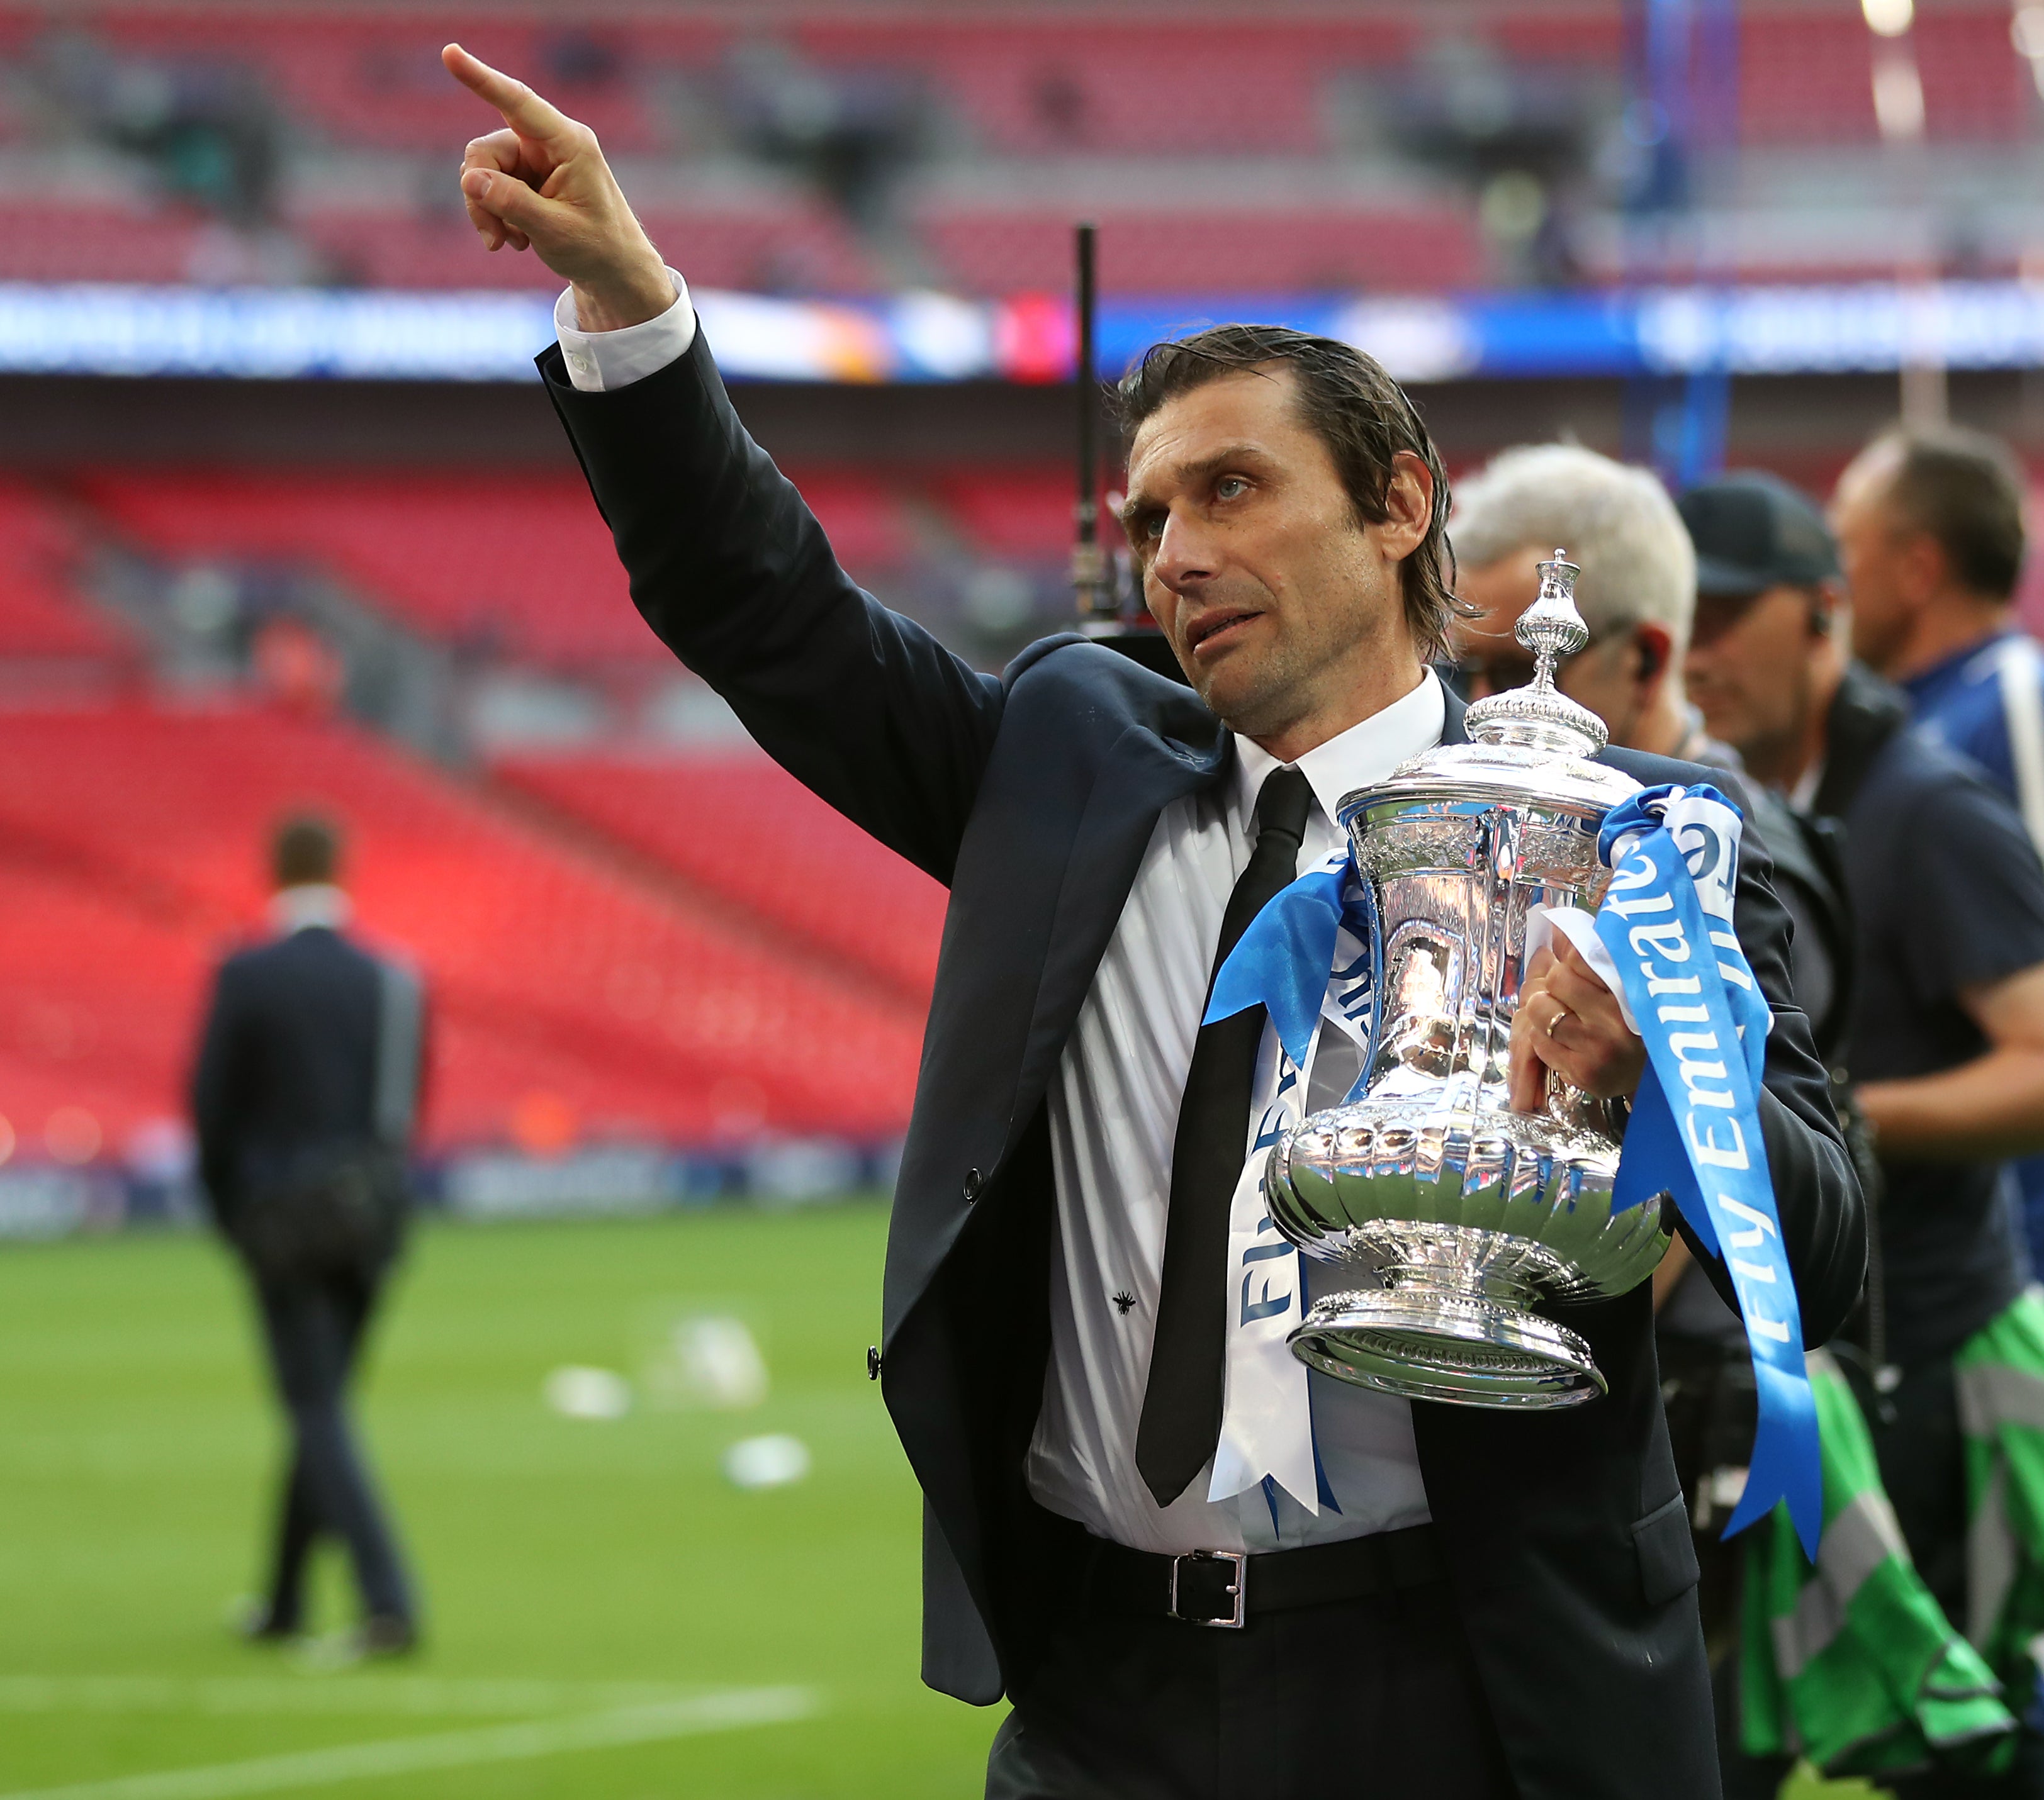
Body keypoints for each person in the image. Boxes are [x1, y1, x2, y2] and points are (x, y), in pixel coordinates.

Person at [441, 44, 1867, 1799]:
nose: (1171, 551)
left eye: (1232, 490)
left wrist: (1662, 1075)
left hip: (1470, 1688)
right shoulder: (1064, 759)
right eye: (1150, 514)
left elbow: (1831, 1220)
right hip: (1101, 1690)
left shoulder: (1615, 833)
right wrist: (631, 300)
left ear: (1401, 501)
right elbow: (770, 612)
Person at [1688, 470, 2044, 1800]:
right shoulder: (1752, 799)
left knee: (1984, 1731)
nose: (1699, 647)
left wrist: (1822, 1129)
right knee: (1743, 1727)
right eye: (1678, 614)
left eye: (1728, 612)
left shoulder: (1923, 804)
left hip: (1926, 1357)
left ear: (1825, 613)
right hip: (1812, 1351)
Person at [1832, 430, 2044, 1800]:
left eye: (1843, 545)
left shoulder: (2005, 713)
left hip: (2008, 1271)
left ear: (1915, 563)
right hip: (1960, 1273)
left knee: (1974, 1673)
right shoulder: (1926, 716)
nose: (1824, 577)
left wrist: (1999, 1278)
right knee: (1950, 1663)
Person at [190, 813, 426, 1657]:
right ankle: (285, 1601)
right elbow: (405, 1105)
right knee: (322, 1405)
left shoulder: (246, 974)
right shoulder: (392, 976)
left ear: (272, 869)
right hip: (369, 1221)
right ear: (342, 867)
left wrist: (228, 1211)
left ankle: (388, 1600)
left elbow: (212, 1107)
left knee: (315, 1406)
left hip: (283, 1221)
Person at [1448, 441, 1726, 762]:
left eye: (1520, 673)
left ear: (1647, 663)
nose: (1479, 708)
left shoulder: (1723, 812)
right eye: (1459, 673)